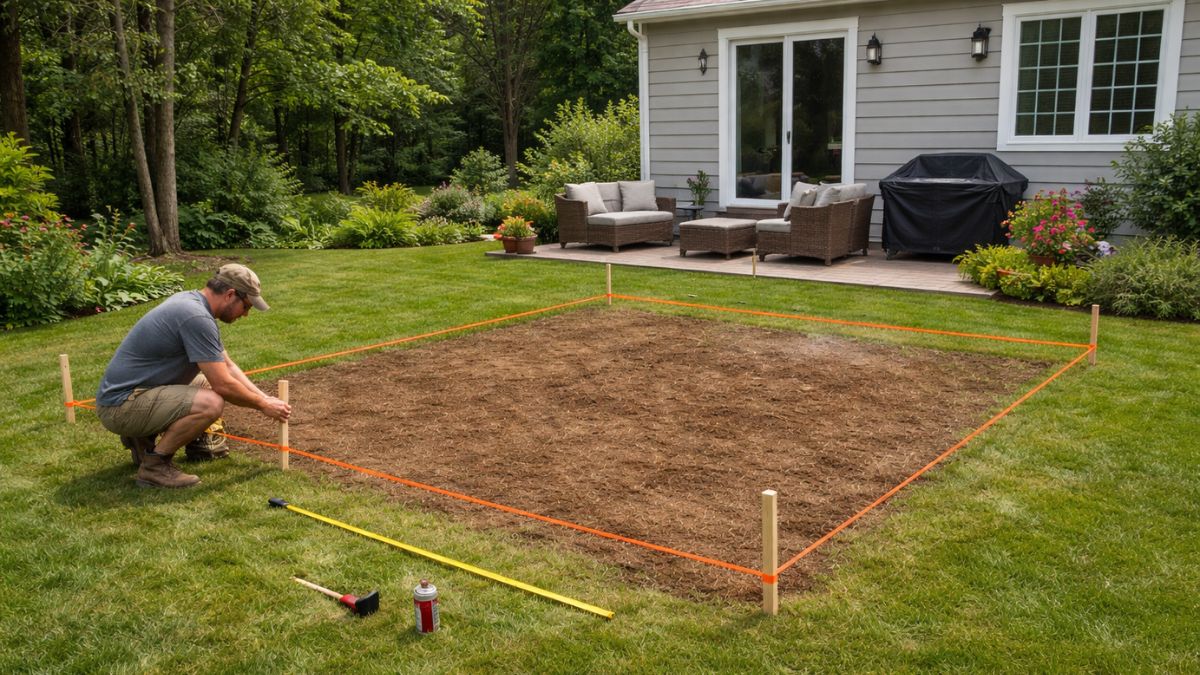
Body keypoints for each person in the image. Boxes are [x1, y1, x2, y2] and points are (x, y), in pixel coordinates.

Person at [95, 264, 292, 488]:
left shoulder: (192, 303)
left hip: (132, 396)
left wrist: (265, 398)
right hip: (120, 407)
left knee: (208, 384)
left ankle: (144, 440)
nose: (245, 314)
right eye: (246, 306)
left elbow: (227, 366)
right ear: (229, 295)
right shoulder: (196, 317)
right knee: (211, 402)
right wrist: (261, 405)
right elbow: (224, 384)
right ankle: (155, 467)